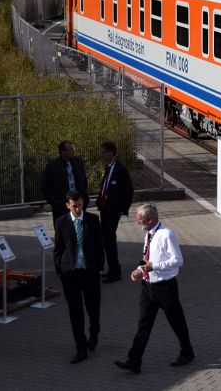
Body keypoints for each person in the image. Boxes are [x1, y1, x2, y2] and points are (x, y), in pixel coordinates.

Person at [115, 204, 195, 374]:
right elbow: (147, 257)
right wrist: (139, 270)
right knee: (143, 325)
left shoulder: (167, 234)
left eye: (140, 219)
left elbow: (178, 260)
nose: (137, 222)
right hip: (148, 288)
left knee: (177, 323)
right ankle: (134, 361)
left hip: (165, 288)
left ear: (150, 220)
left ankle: (187, 352)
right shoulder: (149, 234)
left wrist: (155, 266)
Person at [54, 190, 103, 363]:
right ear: (68, 205)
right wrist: (61, 270)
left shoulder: (92, 220)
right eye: (74, 206)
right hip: (71, 274)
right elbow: (58, 249)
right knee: (75, 313)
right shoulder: (61, 222)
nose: (77, 209)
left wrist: (99, 268)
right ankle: (80, 348)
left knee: (93, 308)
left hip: (89, 273)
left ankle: (94, 332)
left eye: (80, 206)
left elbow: (99, 245)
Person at [97, 141, 134, 283]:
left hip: (114, 211)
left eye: (103, 152)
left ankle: (115, 271)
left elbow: (128, 191)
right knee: (106, 239)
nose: (102, 154)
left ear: (111, 153)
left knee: (109, 239)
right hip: (105, 209)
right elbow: (106, 186)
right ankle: (112, 269)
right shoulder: (108, 168)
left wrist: (123, 209)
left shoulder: (120, 169)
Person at [43, 140, 89, 220]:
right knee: (63, 230)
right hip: (61, 206)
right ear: (62, 152)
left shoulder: (78, 162)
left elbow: (84, 181)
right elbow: (45, 187)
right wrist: (54, 202)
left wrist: (85, 198)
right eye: (69, 150)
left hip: (78, 204)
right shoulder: (53, 166)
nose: (72, 152)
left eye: (73, 149)